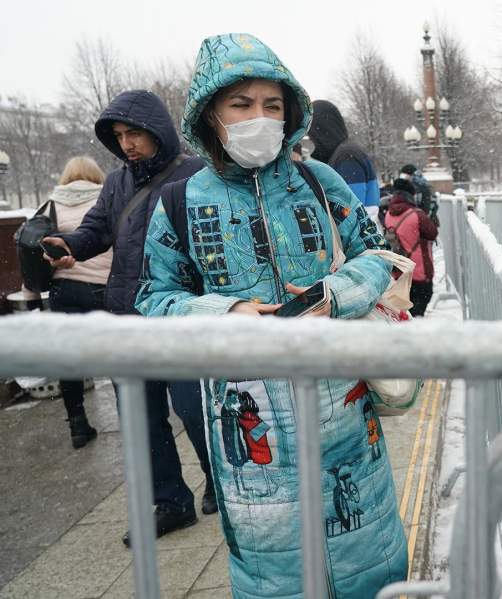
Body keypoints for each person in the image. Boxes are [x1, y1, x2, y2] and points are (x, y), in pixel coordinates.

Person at [136, 33, 407, 597]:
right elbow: (154, 299)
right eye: (241, 104)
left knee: (371, 559)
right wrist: (227, 310)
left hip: (346, 414)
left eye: (273, 105)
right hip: (250, 435)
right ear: (210, 113)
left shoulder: (319, 182)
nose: (259, 117)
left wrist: (334, 294)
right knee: (274, 576)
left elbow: (379, 253)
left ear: (291, 113)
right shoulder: (180, 203)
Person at [41, 89, 216, 543]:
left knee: (194, 408)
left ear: (157, 130)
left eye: (134, 133)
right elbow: (98, 229)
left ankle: (218, 479)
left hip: (178, 312)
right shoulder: (117, 183)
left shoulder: (195, 173)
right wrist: (70, 248)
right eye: (119, 137)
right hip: (126, 311)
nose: (127, 144)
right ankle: (171, 501)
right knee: (140, 416)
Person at [43, 156, 112, 448]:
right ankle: (136, 417)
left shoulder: (51, 204)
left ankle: (78, 425)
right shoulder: (105, 198)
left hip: (63, 289)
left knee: (68, 359)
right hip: (102, 289)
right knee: (119, 354)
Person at [307, 99, 383, 220]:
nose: (311, 140)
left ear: (322, 131)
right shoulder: (346, 153)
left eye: (311, 134)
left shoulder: (346, 157)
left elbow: (350, 212)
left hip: (357, 235)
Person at [384, 178, 438, 316]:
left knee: (407, 307)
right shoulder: (417, 214)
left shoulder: (388, 214)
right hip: (419, 270)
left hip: (400, 271)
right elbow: (432, 233)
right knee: (421, 302)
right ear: (411, 195)